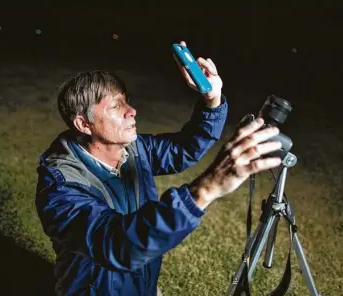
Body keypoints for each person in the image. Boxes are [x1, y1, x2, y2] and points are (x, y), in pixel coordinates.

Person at [35, 41, 282, 296]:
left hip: (142, 284)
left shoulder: (133, 149)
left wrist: (212, 100)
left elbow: (183, 149)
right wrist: (206, 189)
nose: (132, 111)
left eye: (127, 101)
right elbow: (116, 244)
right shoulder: (60, 186)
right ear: (84, 124)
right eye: (116, 106)